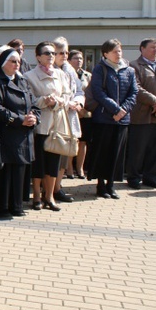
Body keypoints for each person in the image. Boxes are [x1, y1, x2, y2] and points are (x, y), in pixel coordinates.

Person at [0, 48, 39, 217]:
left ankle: (16, 204)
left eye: (18, 62)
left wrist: (34, 117)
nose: (17, 64)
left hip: (23, 135)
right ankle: (1, 206)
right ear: (3, 63)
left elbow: (33, 102)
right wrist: (20, 119)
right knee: (4, 173)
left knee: (19, 172)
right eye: (13, 61)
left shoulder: (22, 81)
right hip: (5, 133)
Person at [24, 42, 72, 212]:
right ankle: (36, 195)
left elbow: (68, 95)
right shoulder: (29, 76)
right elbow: (28, 100)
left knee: (54, 163)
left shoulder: (61, 74)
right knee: (39, 163)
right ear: (38, 57)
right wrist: (45, 100)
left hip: (57, 125)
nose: (51, 56)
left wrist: (58, 101)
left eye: (53, 53)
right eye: (46, 53)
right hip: (40, 125)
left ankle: (50, 196)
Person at [87, 39, 137, 199]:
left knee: (117, 153)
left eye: (120, 51)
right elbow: (98, 92)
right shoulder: (100, 69)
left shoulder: (129, 70)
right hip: (104, 118)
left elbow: (133, 93)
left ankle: (111, 184)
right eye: (115, 51)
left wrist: (123, 110)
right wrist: (115, 109)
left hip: (122, 120)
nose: (118, 54)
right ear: (106, 53)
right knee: (103, 152)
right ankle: (101, 185)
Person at [126, 38, 156, 190]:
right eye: (152, 47)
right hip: (141, 115)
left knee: (155, 149)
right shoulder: (134, 66)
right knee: (138, 149)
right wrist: (154, 101)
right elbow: (136, 88)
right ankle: (134, 178)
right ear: (142, 49)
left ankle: (150, 178)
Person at [51, 37, 84, 202]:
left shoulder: (70, 69)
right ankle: (50, 188)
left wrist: (78, 102)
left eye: (66, 52)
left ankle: (58, 186)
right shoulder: (49, 69)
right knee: (55, 154)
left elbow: (79, 90)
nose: (64, 55)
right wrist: (68, 102)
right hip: (55, 118)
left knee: (66, 154)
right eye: (60, 52)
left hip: (69, 116)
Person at [68, 50, 91, 179]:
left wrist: (83, 108)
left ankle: (80, 168)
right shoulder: (67, 73)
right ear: (70, 60)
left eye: (81, 58)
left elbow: (91, 94)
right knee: (72, 141)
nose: (79, 61)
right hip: (71, 111)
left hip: (84, 113)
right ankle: (69, 169)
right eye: (76, 58)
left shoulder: (88, 75)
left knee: (83, 142)